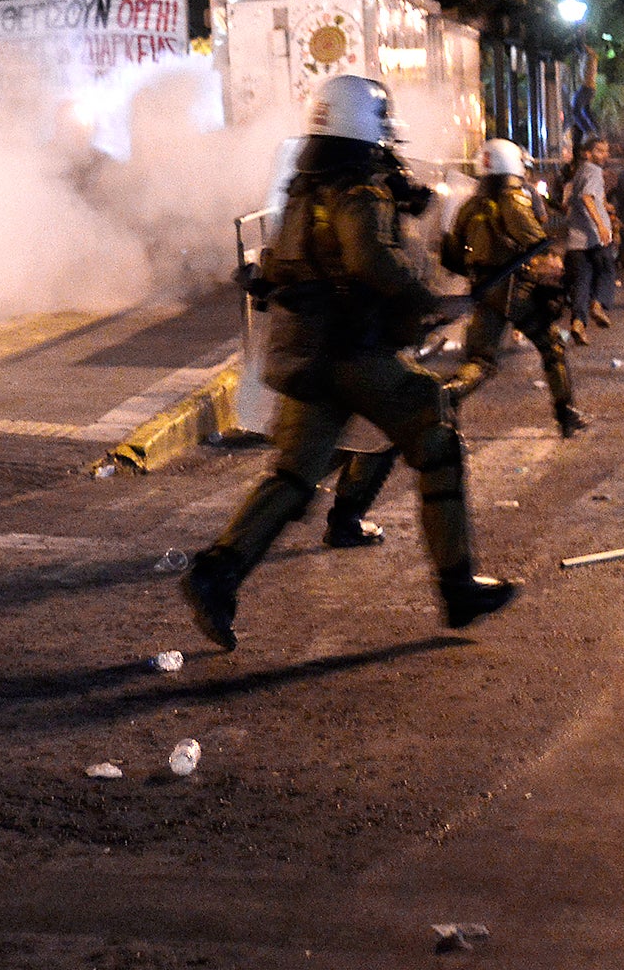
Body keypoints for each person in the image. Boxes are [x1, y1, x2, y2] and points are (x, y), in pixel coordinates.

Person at [180, 74, 515, 652]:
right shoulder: (358, 187)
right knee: (436, 437)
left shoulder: (308, 186)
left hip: (308, 352)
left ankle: (216, 572)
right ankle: (458, 586)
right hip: (351, 352)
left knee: (294, 471)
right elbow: (370, 260)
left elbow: (290, 267)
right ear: (365, 124)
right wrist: (427, 301)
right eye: (381, 123)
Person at [441, 139, 587, 438]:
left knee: (480, 361)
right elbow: (537, 239)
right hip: (517, 291)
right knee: (552, 347)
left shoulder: (469, 205)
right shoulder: (514, 199)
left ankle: (447, 396)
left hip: (485, 290)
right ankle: (566, 413)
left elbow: (452, 257)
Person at [563, 135, 616, 342]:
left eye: (606, 151)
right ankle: (598, 305)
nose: (604, 155)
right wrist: (601, 225)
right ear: (588, 153)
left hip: (575, 241)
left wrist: (606, 207)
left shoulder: (580, 172)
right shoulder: (593, 170)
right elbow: (587, 197)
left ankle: (578, 322)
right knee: (606, 271)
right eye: (600, 151)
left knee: (582, 283)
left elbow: (574, 201)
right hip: (594, 238)